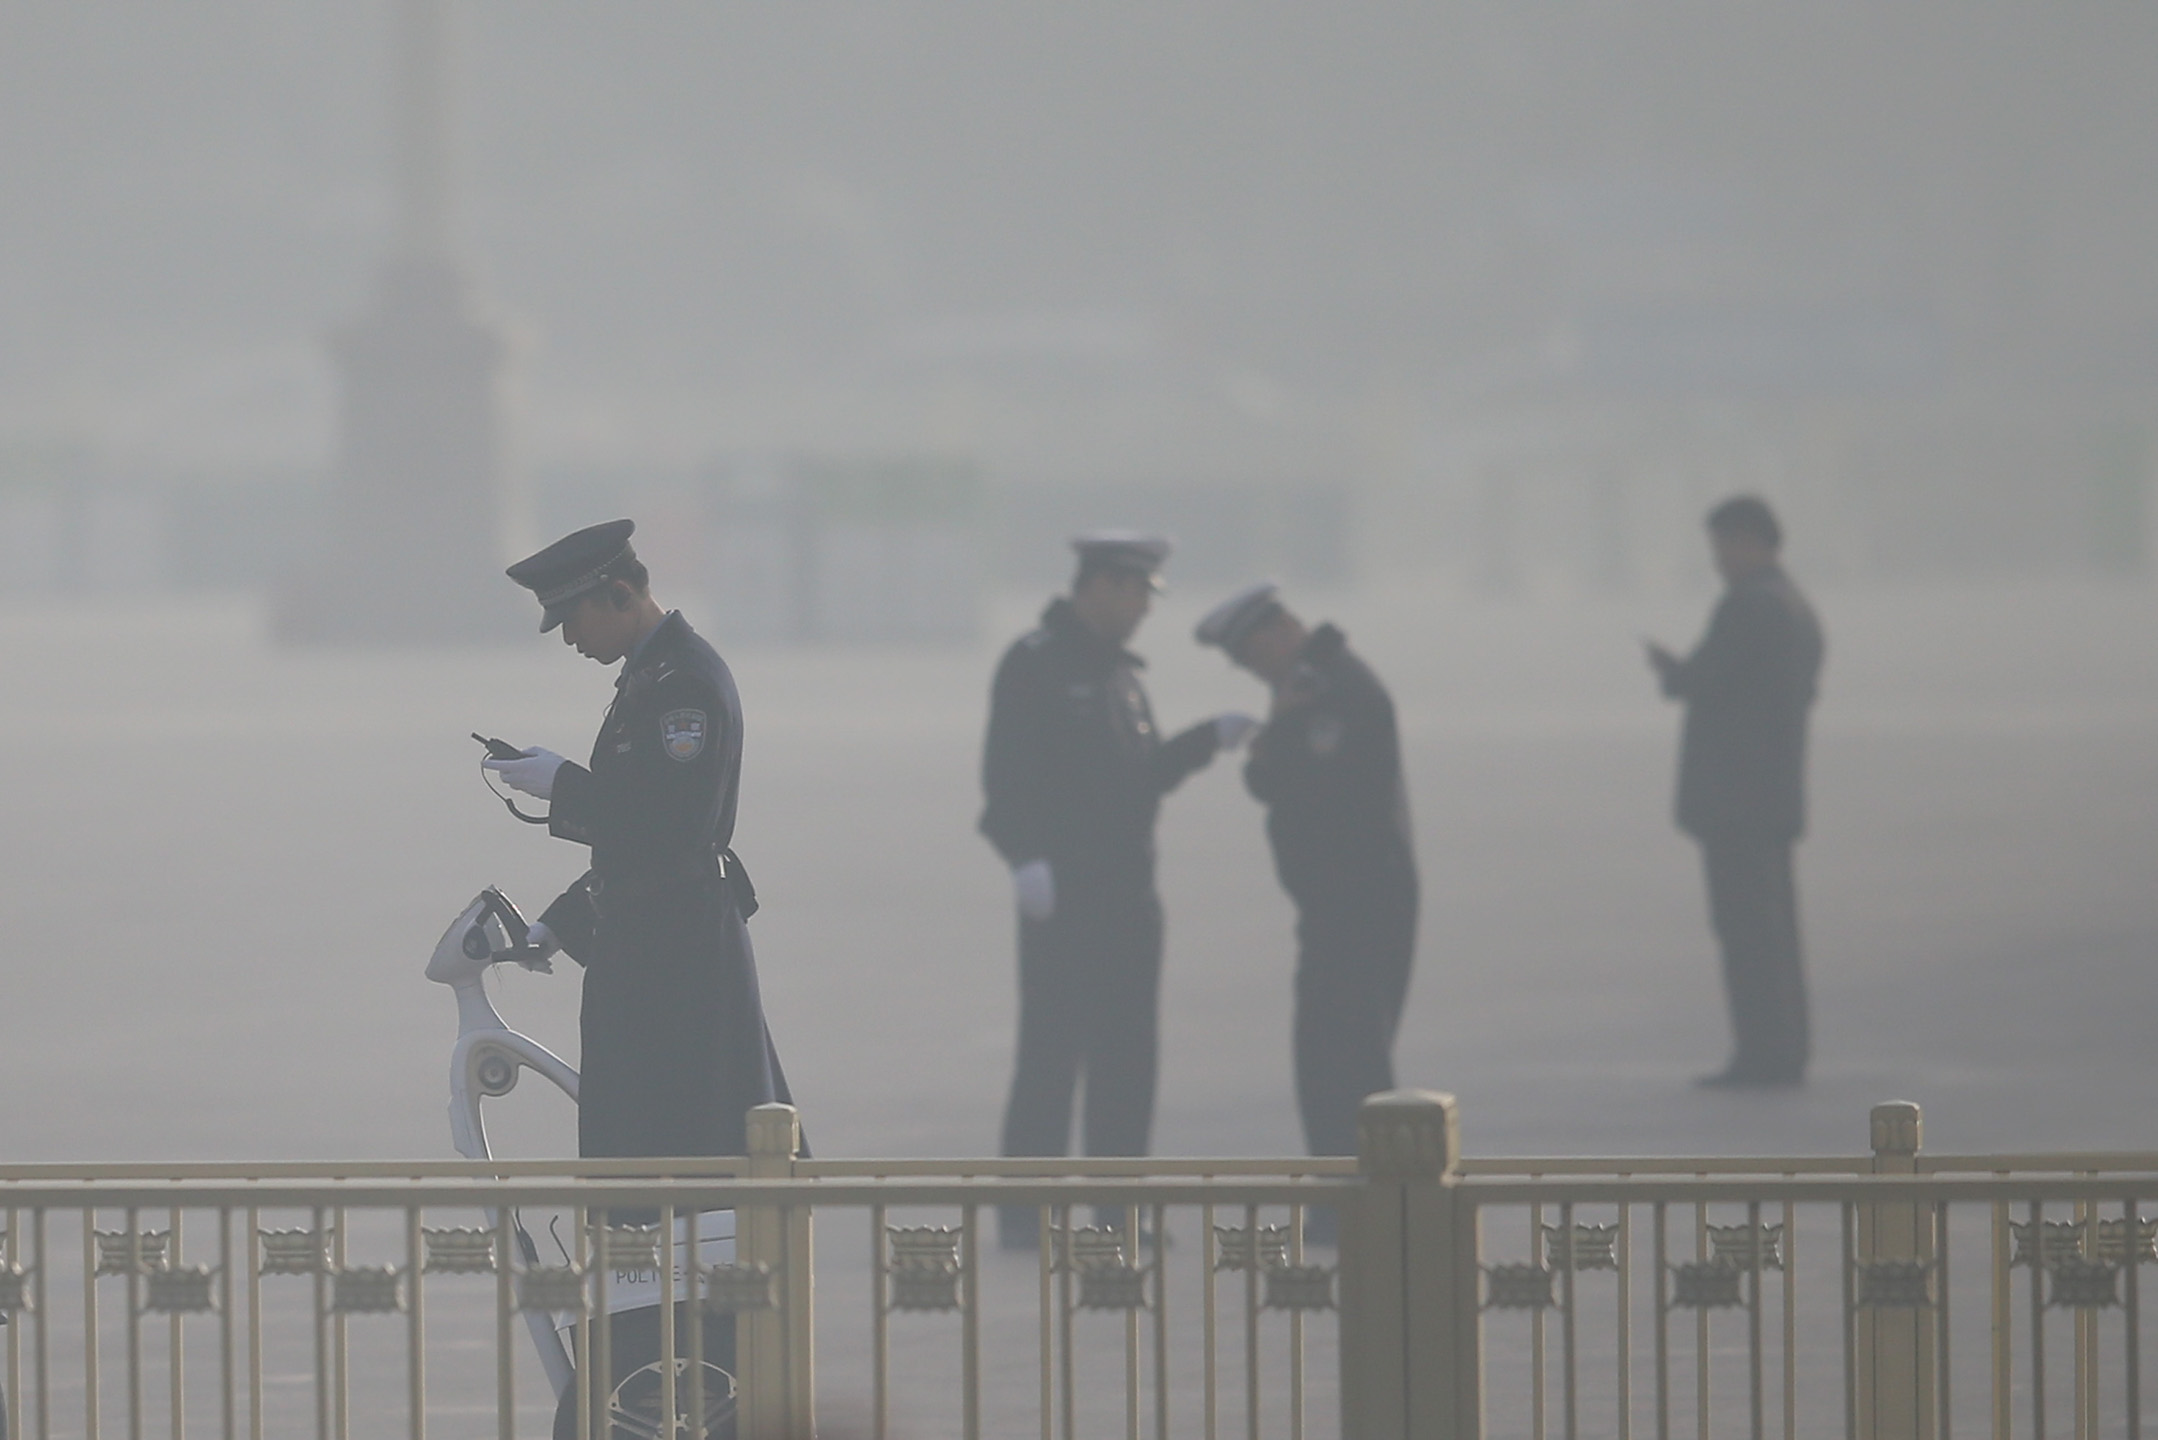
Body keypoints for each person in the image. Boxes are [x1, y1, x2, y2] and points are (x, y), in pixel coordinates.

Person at [484, 519, 794, 1437]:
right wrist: (558, 921)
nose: (571, 638)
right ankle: (641, 1363)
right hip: (646, 960)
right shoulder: (649, 681)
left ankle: (686, 1371)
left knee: (685, 1182)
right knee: (634, 1183)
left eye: (575, 617)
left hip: (681, 982)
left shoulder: (684, 684)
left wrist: (564, 786)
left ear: (619, 592)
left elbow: (673, 832)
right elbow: (639, 849)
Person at [979, 534, 1255, 1247]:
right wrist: (1023, 858)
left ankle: (1117, 1210)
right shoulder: (1035, 663)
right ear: (1100, 585)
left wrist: (1202, 741)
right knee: (1051, 1054)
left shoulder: (1120, 677)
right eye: (1137, 593)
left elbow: (1138, 778)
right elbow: (1005, 775)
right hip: (1063, 894)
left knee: (1128, 1056)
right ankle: (1025, 1214)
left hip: (1129, 897)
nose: (1143, 610)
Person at [1197, 583, 1418, 1174]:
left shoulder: (1331, 692)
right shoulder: (1309, 688)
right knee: (1327, 1051)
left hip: (1357, 899)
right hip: (1336, 900)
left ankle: (1366, 1190)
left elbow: (1291, 783)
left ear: (1281, 631)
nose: (1254, 671)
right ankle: (1344, 1186)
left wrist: (1272, 741)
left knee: (1347, 1055)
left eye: (1252, 656)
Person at [1646, 495, 1825, 1089]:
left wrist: (1672, 671)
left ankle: (1762, 1053)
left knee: (1748, 933)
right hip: (1771, 794)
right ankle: (1786, 1045)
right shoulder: (1796, 608)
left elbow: (1704, 677)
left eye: (1723, 547)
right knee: (1775, 931)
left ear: (1750, 541)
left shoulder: (1749, 607)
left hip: (1736, 800)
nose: (1719, 562)